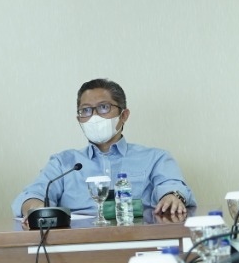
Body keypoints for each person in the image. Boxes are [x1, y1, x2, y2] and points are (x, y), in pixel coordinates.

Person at [13, 78, 194, 222]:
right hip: (75, 247)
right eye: (86, 110)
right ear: (79, 119)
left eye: (103, 107)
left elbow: (172, 185)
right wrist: (34, 209)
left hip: (138, 240)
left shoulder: (156, 158)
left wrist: (172, 196)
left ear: (124, 115)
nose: (94, 117)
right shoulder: (64, 163)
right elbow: (35, 193)